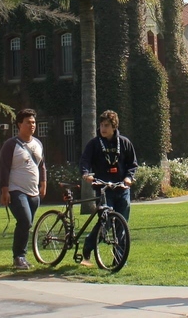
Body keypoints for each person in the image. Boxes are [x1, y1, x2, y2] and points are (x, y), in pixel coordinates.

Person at [79, 109, 137, 266]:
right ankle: (89, 245)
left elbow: (132, 164)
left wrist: (128, 178)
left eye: (106, 125)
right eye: (101, 125)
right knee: (105, 221)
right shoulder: (94, 144)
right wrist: (86, 174)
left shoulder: (124, 143)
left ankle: (119, 259)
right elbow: (84, 161)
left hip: (122, 189)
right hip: (104, 190)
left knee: (121, 225)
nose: (103, 128)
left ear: (114, 126)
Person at [0, 108, 47, 270]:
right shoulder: (11, 145)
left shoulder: (38, 143)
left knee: (27, 224)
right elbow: (3, 168)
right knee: (24, 220)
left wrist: (44, 182)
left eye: (33, 122)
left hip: (33, 191)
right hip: (16, 189)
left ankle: (23, 256)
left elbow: (42, 165)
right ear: (20, 124)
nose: (32, 125)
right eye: (28, 122)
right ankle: (18, 256)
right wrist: (4, 190)